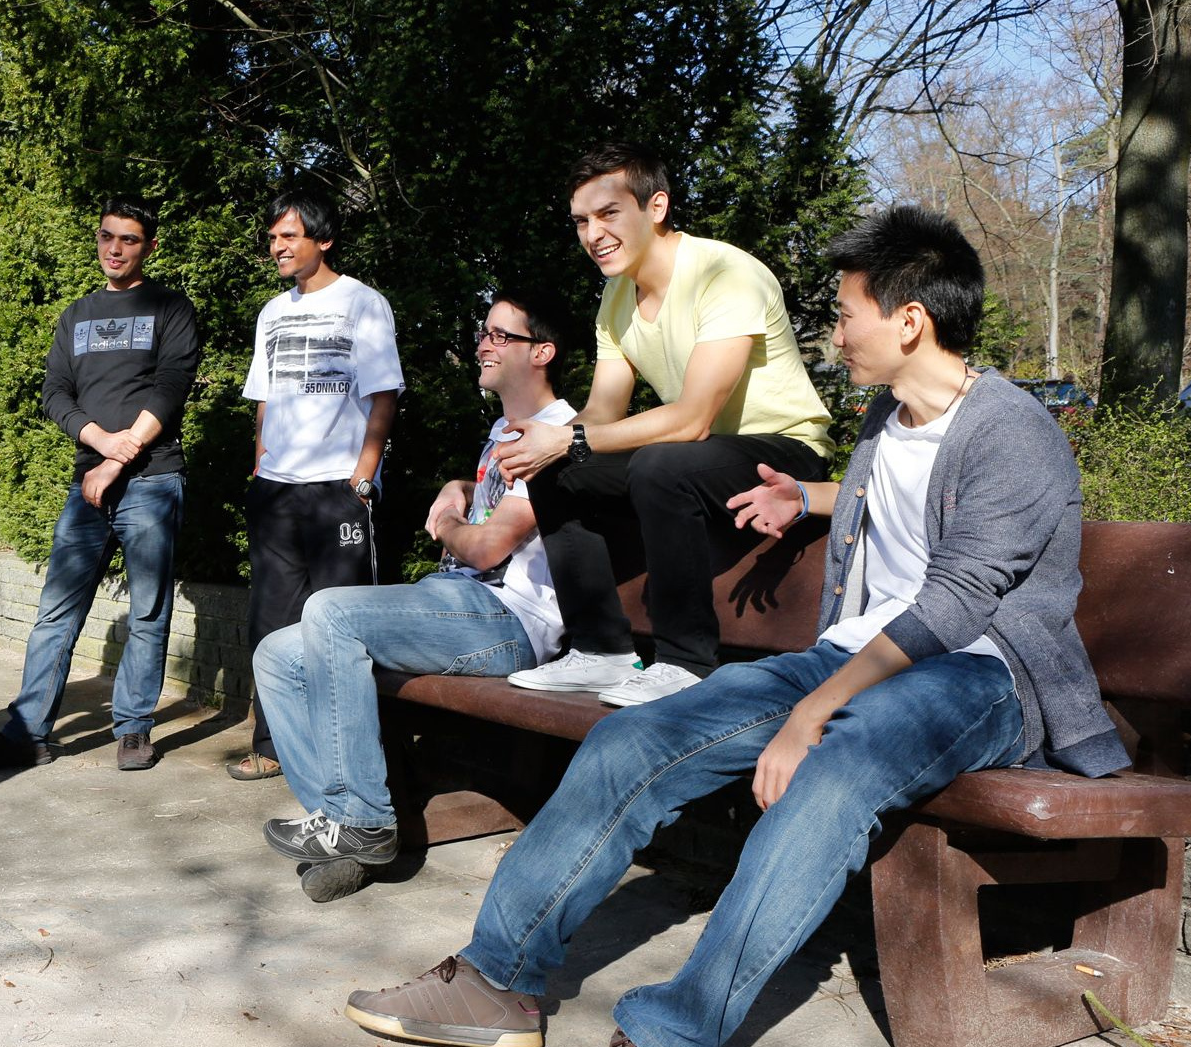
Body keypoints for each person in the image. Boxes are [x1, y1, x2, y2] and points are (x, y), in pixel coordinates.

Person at [339, 206, 1130, 1047]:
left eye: (845, 310)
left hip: (978, 673)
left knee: (828, 779)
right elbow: (908, 504)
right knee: (631, 739)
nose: (835, 329)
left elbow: (958, 598)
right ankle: (497, 979)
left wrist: (809, 712)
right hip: (852, 654)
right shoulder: (886, 419)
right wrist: (809, 496)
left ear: (910, 320)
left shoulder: (1010, 428)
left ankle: (679, 1027)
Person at [496, 143, 833, 707]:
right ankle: (599, 652)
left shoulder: (725, 272)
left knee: (658, 461)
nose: (593, 234)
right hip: (702, 458)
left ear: (656, 206)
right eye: (582, 221)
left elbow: (693, 416)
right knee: (560, 471)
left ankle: (685, 663)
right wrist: (547, 442)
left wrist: (571, 438)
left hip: (785, 449)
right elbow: (601, 413)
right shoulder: (616, 296)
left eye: (609, 214)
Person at [256, 289, 574, 867]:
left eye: (502, 336)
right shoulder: (505, 430)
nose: (484, 344)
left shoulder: (559, 432)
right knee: (278, 653)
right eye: (484, 332)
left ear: (542, 352)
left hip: (508, 622)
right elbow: (503, 510)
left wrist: (451, 517)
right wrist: (465, 486)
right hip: (457, 605)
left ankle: (363, 820)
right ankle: (340, 821)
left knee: (330, 612)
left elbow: (485, 547)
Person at [0, 197, 200, 773]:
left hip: (153, 481)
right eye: (107, 237)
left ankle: (134, 731)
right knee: (55, 612)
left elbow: (170, 386)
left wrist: (120, 455)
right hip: (86, 482)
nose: (115, 249)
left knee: (148, 612)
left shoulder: (171, 308)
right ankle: (27, 733)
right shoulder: (77, 314)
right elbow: (55, 394)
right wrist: (97, 439)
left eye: (129, 240)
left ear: (149, 247)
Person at [231, 189, 404, 781]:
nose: (277, 247)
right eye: (273, 237)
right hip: (276, 491)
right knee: (270, 623)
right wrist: (259, 469)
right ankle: (272, 747)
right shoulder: (271, 313)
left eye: (289, 236)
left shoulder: (363, 303)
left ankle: (347, 760)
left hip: (338, 491)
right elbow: (264, 400)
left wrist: (364, 475)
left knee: (342, 628)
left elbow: (383, 394)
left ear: (323, 240)